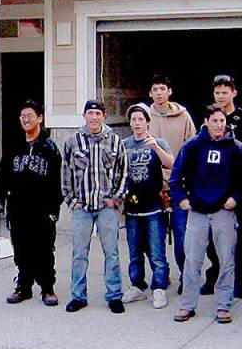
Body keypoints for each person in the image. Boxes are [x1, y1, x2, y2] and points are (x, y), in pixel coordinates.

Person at [170, 104, 242, 324]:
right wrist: (181, 199)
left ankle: (223, 305)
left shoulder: (236, 148)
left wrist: (236, 197)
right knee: (192, 260)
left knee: (226, 259)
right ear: (206, 121)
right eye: (215, 121)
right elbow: (176, 174)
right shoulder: (193, 146)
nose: (219, 125)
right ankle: (188, 304)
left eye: (222, 121)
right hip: (197, 211)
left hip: (223, 212)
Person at [0, 100, 63, 307]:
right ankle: (23, 287)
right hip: (18, 207)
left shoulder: (50, 149)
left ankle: (47, 288)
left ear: (39, 118)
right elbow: (3, 173)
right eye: (22, 116)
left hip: (42, 209)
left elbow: (57, 181)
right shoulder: (14, 146)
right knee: (21, 248)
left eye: (30, 116)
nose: (26, 120)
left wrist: (54, 208)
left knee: (43, 249)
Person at [61, 99, 128, 314]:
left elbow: (122, 173)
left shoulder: (115, 141)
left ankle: (114, 295)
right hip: (82, 208)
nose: (94, 117)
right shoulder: (73, 141)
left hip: (106, 207)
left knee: (112, 252)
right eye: (90, 113)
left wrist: (115, 199)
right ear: (84, 116)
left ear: (104, 117)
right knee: (79, 253)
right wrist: (72, 201)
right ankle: (78, 296)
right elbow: (66, 174)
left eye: (98, 113)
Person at [203, 74, 242, 298]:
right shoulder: (208, 118)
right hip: (214, 187)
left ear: (234, 93)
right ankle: (215, 275)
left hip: (239, 186)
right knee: (212, 237)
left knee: (241, 237)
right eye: (217, 92)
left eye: (225, 92)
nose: (221, 96)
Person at [147, 74, 198, 291]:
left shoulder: (183, 116)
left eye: (162, 88)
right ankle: (162, 275)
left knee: (181, 235)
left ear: (170, 91)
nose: (159, 93)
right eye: (155, 89)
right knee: (154, 238)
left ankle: (186, 278)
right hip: (153, 185)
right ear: (150, 93)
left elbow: (193, 147)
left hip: (178, 185)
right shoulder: (145, 116)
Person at [122, 104, 174, 309]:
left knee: (156, 250)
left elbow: (172, 164)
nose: (137, 123)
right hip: (132, 206)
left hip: (154, 205)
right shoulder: (124, 144)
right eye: (133, 119)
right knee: (134, 250)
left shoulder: (158, 142)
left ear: (147, 122)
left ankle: (159, 286)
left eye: (140, 119)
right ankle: (137, 285)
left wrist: (156, 148)